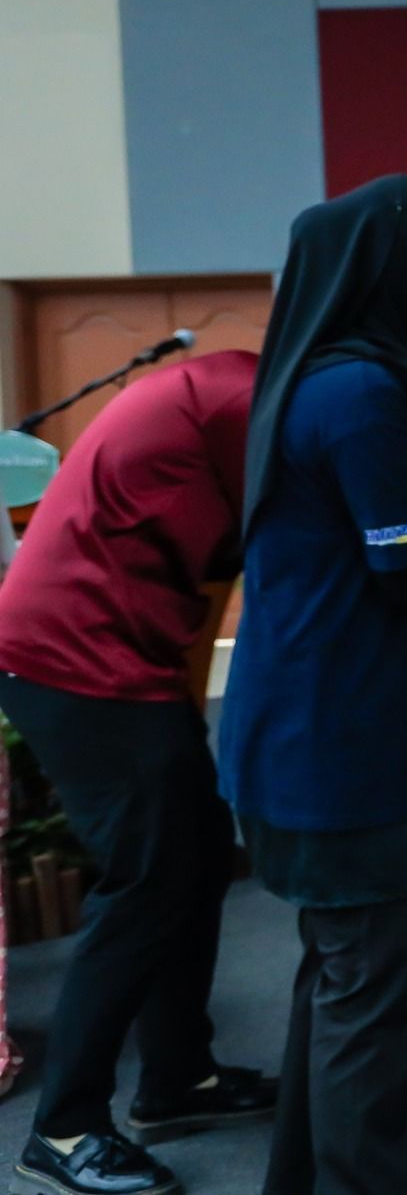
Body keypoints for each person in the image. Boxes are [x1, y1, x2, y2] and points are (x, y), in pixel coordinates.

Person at [218, 175, 407, 1195]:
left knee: (341, 979)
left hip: (299, 737)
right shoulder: (362, 392)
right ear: (403, 269)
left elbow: (361, 522)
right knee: (370, 1004)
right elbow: (402, 566)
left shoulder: (323, 376)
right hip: (340, 751)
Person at [0, 350, 273, 1195]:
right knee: (148, 878)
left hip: (125, 658)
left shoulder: (252, 394)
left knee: (196, 852)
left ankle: (177, 1078)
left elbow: (227, 563)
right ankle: (64, 1129)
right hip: (75, 658)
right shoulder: (245, 400)